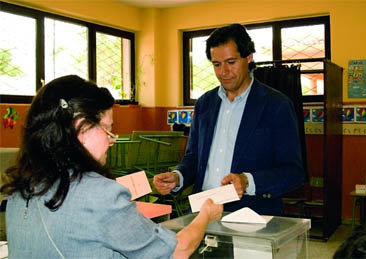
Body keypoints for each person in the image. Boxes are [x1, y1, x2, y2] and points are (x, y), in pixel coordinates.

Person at [1, 75, 223, 259]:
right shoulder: (100, 193)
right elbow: (177, 250)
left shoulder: (20, 191)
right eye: (108, 130)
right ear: (82, 127)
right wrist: (204, 215)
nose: (112, 140)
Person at [154, 23, 304, 215]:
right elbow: (193, 158)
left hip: (253, 216)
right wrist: (178, 176)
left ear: (248, 57)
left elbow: (293, 173)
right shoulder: (204, 104)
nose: (223, 72)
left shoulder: (276, 105)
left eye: (231, 62)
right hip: (203, 212)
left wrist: (247, 181)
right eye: (217, 64)